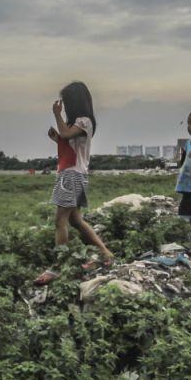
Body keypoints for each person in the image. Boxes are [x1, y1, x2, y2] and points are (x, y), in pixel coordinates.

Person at [33, 81, 113, 285]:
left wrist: (57, 115)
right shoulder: (78, 122)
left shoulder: (84, 121)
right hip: (72, 174)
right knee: (75, 220)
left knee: (60, 221)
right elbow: (69, 143)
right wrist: (56, 138)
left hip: (72, 175)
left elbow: (67, 135)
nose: (64, 106)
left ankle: (58, 267)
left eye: (66, 103)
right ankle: (105, 253)